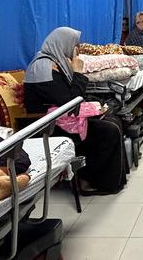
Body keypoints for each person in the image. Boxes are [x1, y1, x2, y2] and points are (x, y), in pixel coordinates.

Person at [23, 27, 127, 195]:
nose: (76, 49)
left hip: (62, 118)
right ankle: (89, 181)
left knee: (113, 120)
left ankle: (111, 179)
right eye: (74, 44)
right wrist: (78, 73)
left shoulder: (56, 62)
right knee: (108, 130)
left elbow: (70, 99)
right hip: (47, 125)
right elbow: (70, 102)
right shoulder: (43, 67)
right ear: (62, 43)